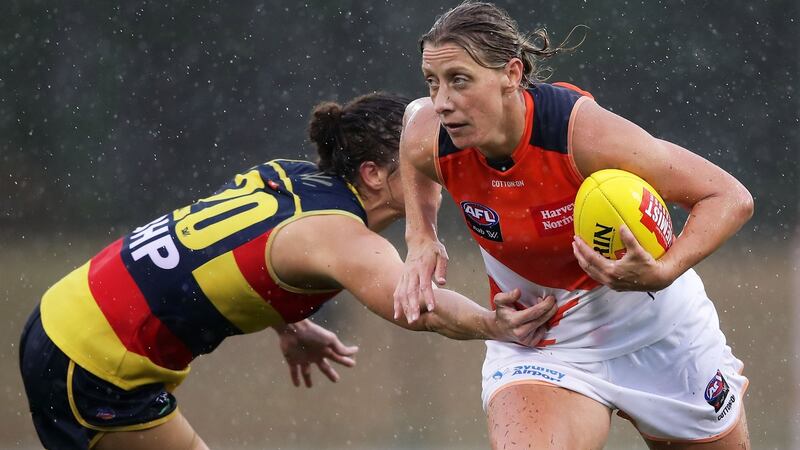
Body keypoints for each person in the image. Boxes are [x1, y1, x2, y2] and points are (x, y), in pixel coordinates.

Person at [19, 92, 558, 450]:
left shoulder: (293, 178)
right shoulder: (341, 237)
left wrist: (289, 322)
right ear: (373, 174)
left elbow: (226, 249)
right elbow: (415, 303)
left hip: (65, 316)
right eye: (421, 161)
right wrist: (494, 324)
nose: (436, 170)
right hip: (93, 363)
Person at [393, 2, 755, 449]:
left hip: (659, 330)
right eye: (433, 83)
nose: (443, 102)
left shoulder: (581, 134)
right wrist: (420, 236)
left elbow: (729, 197)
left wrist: (664, 269)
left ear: (510, 73)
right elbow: (411, 143)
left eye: (460, 80)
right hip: (544, 340)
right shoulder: (431, 133)